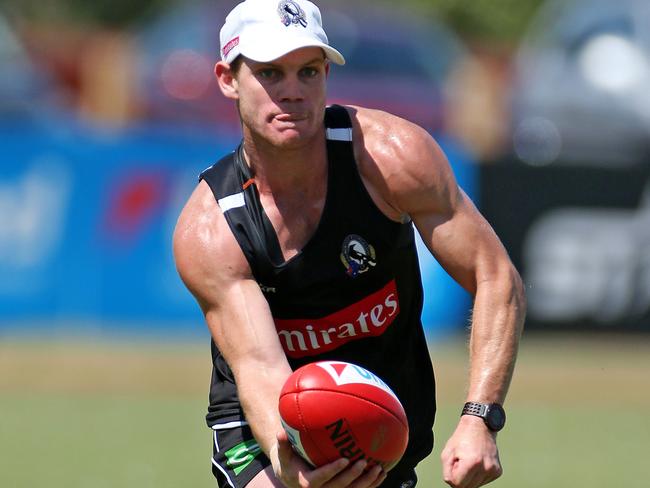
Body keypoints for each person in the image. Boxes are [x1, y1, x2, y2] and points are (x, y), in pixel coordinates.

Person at [173, 0, 526, 487]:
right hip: (264, 429)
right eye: (270, 74)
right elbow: (259, 368)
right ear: (227, 79)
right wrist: (296, 466)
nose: (293, 92)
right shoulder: (212, 229)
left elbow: (495, 276)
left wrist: (479, 418)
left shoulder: (392, 158)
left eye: (309, 72)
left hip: (381, 426)